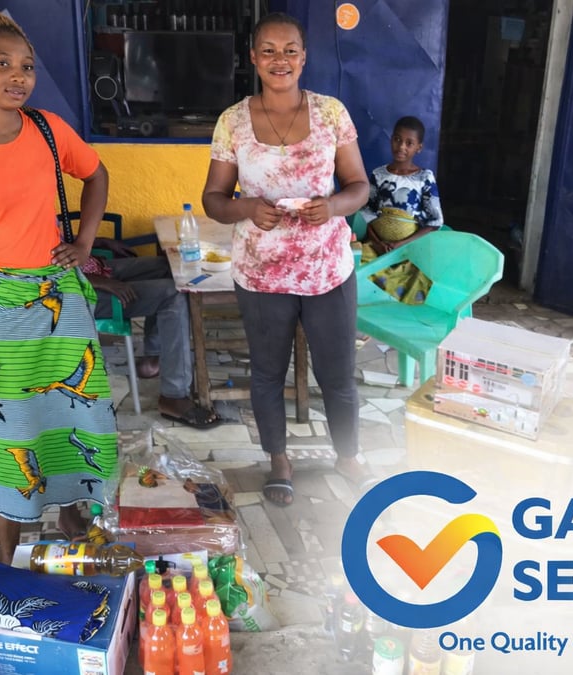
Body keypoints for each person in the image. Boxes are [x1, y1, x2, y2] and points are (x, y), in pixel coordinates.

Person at [0, 12, 117, 564]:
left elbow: (96, 175)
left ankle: (72, 518)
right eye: (3, 65)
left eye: (26, 67)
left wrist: (86, 241)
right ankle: (7, 556)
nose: (19, 77)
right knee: (11, 436)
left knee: (79, 416)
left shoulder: (47, 130)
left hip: (59, 303)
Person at [201, 12, 372, 506]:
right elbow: (214, 197)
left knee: (337, 373)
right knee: (267, 372)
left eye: (290, 49)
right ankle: (279, 460)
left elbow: (359, 185)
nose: (281, 60)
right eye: (269, 50)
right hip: (261, 273)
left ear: (304, 56)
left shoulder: (332, 114)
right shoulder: (233, 121)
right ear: (253, 58)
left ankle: (349, 455)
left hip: (328, 270)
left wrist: (333, 206)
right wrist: (246, 208)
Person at [81, 240, 219, 428]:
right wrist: (101, 282)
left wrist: (97, 242)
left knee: (169, 267)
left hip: (91, 269)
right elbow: (35, 272)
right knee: (173, 294)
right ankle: (174, 396)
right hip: (76, 292)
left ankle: (154, 360)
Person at [360, 116, 444, 261]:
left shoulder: (424, 177)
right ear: (391, 139)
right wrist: (378, 244)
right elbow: (367, 213)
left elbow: (435, 222)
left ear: (419, 148)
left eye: (409, 143)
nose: (401, 147)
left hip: (410, 249)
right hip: (377, 248)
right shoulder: (378, 174)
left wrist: (402, 244)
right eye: (397, 139)